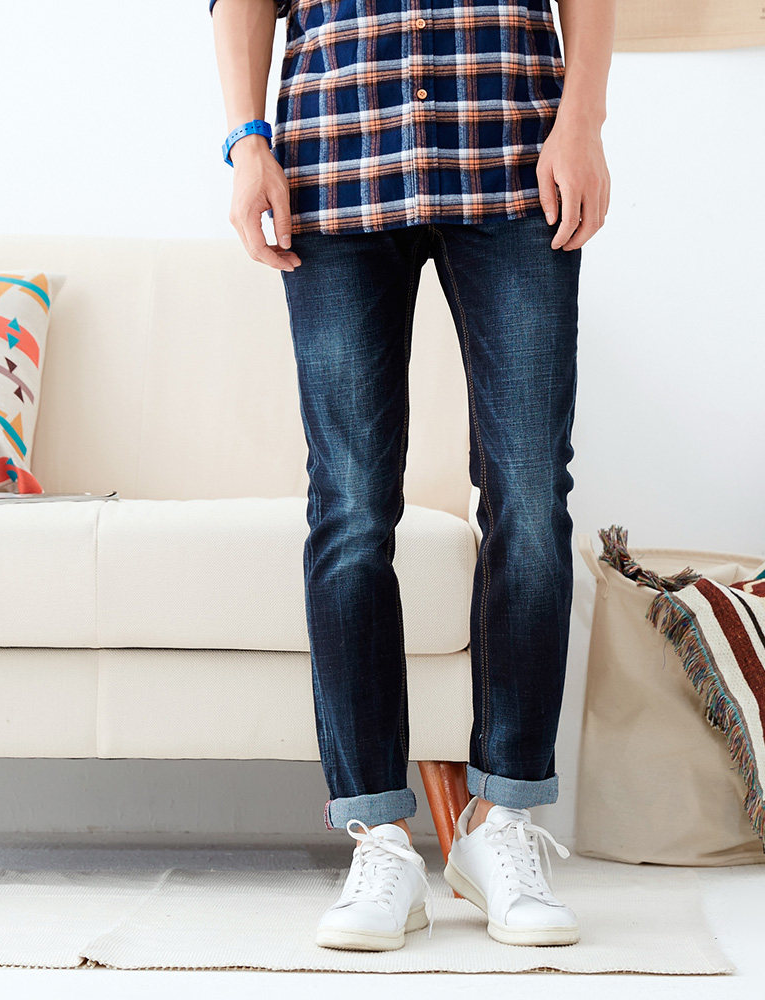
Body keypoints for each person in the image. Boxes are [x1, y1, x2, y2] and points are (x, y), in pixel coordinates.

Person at [210, 0, 614, 951]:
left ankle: (500, 821)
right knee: (349, 509)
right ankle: (380, 839)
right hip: (336, 161)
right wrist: (245, 141)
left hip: (512, 149)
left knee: (529, 494)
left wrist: (584, 120)